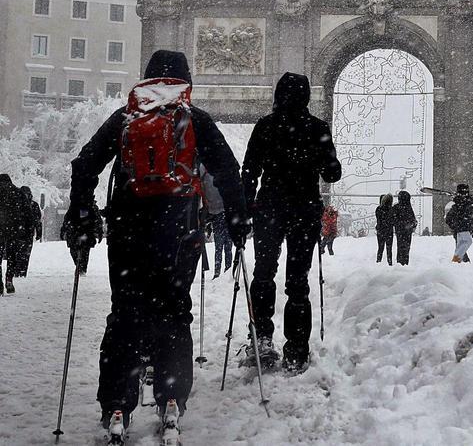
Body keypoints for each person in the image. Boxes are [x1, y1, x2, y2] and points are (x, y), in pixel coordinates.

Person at [61, 50, 247, 440]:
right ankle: (171, 397)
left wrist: (82, 213)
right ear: (185, 80)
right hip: (180, 231)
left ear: (146, 78)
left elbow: (84, 165)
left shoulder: (126, 117)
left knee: (125, 313)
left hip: (129, 231)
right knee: (175, 312)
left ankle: (116, 403)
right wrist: (237, 219)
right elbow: (228, 169)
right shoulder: (194, 119)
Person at [243, 72, 342, 373]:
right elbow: (332, 174)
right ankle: (296, 349)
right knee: (297, 281)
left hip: (270, 208)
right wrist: (327, 159)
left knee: (263, 273)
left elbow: (249, 170)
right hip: (304, 209)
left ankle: (261, 337)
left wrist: (245, 206)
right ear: (306, 97)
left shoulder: (265, 126)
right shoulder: (317, 128)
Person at [200, 168, 233, 277]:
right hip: (222, 212)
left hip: (220, 212)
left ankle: (222, 271)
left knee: (222, 246)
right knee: (223, 245)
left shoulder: (204, 170)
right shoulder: (206, 170)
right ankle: (223, 271)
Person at [9, 187, 42, 283]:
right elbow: (37, 220)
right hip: (28, 233)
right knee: (25, 254)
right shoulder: (33, 205)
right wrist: (38, 232)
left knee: (16, 253)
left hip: (16, 232)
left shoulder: (15, 204)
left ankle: (16, 271)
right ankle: (22, 272)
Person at [446, 184, 473, 263]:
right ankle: (456, 260)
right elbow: (465, 203)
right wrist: (455, 226)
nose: (466, 194)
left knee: (460, 246)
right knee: (467, 242)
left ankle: (458, 261)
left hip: (462, 228)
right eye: (464, 192)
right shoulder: (460, 203)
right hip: (462, 228)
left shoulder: (463, 203)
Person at [0, 174, 22, 293]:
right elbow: (26, 212)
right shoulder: (18, 193)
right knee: (11, 256)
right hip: (14, 229)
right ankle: (9, 279)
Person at [393, 191, 418, 266]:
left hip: (400, 232)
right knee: (406, 249)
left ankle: (400, 264)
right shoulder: (408, 207)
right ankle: (404, 263)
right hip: (407, 232)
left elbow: (393, 219)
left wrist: (400, 225)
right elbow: (413, 220)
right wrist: (411, 225)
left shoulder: (396, 207)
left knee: (400, 248)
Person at [375, 194, 396, 265]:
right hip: (389, 232)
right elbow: (393, 221)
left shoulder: (378, 209)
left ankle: (378, 261)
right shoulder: (392, 209)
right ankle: (390, 263)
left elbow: (378, 219)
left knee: (380, 248)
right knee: (389, 248)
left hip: (380, 231)